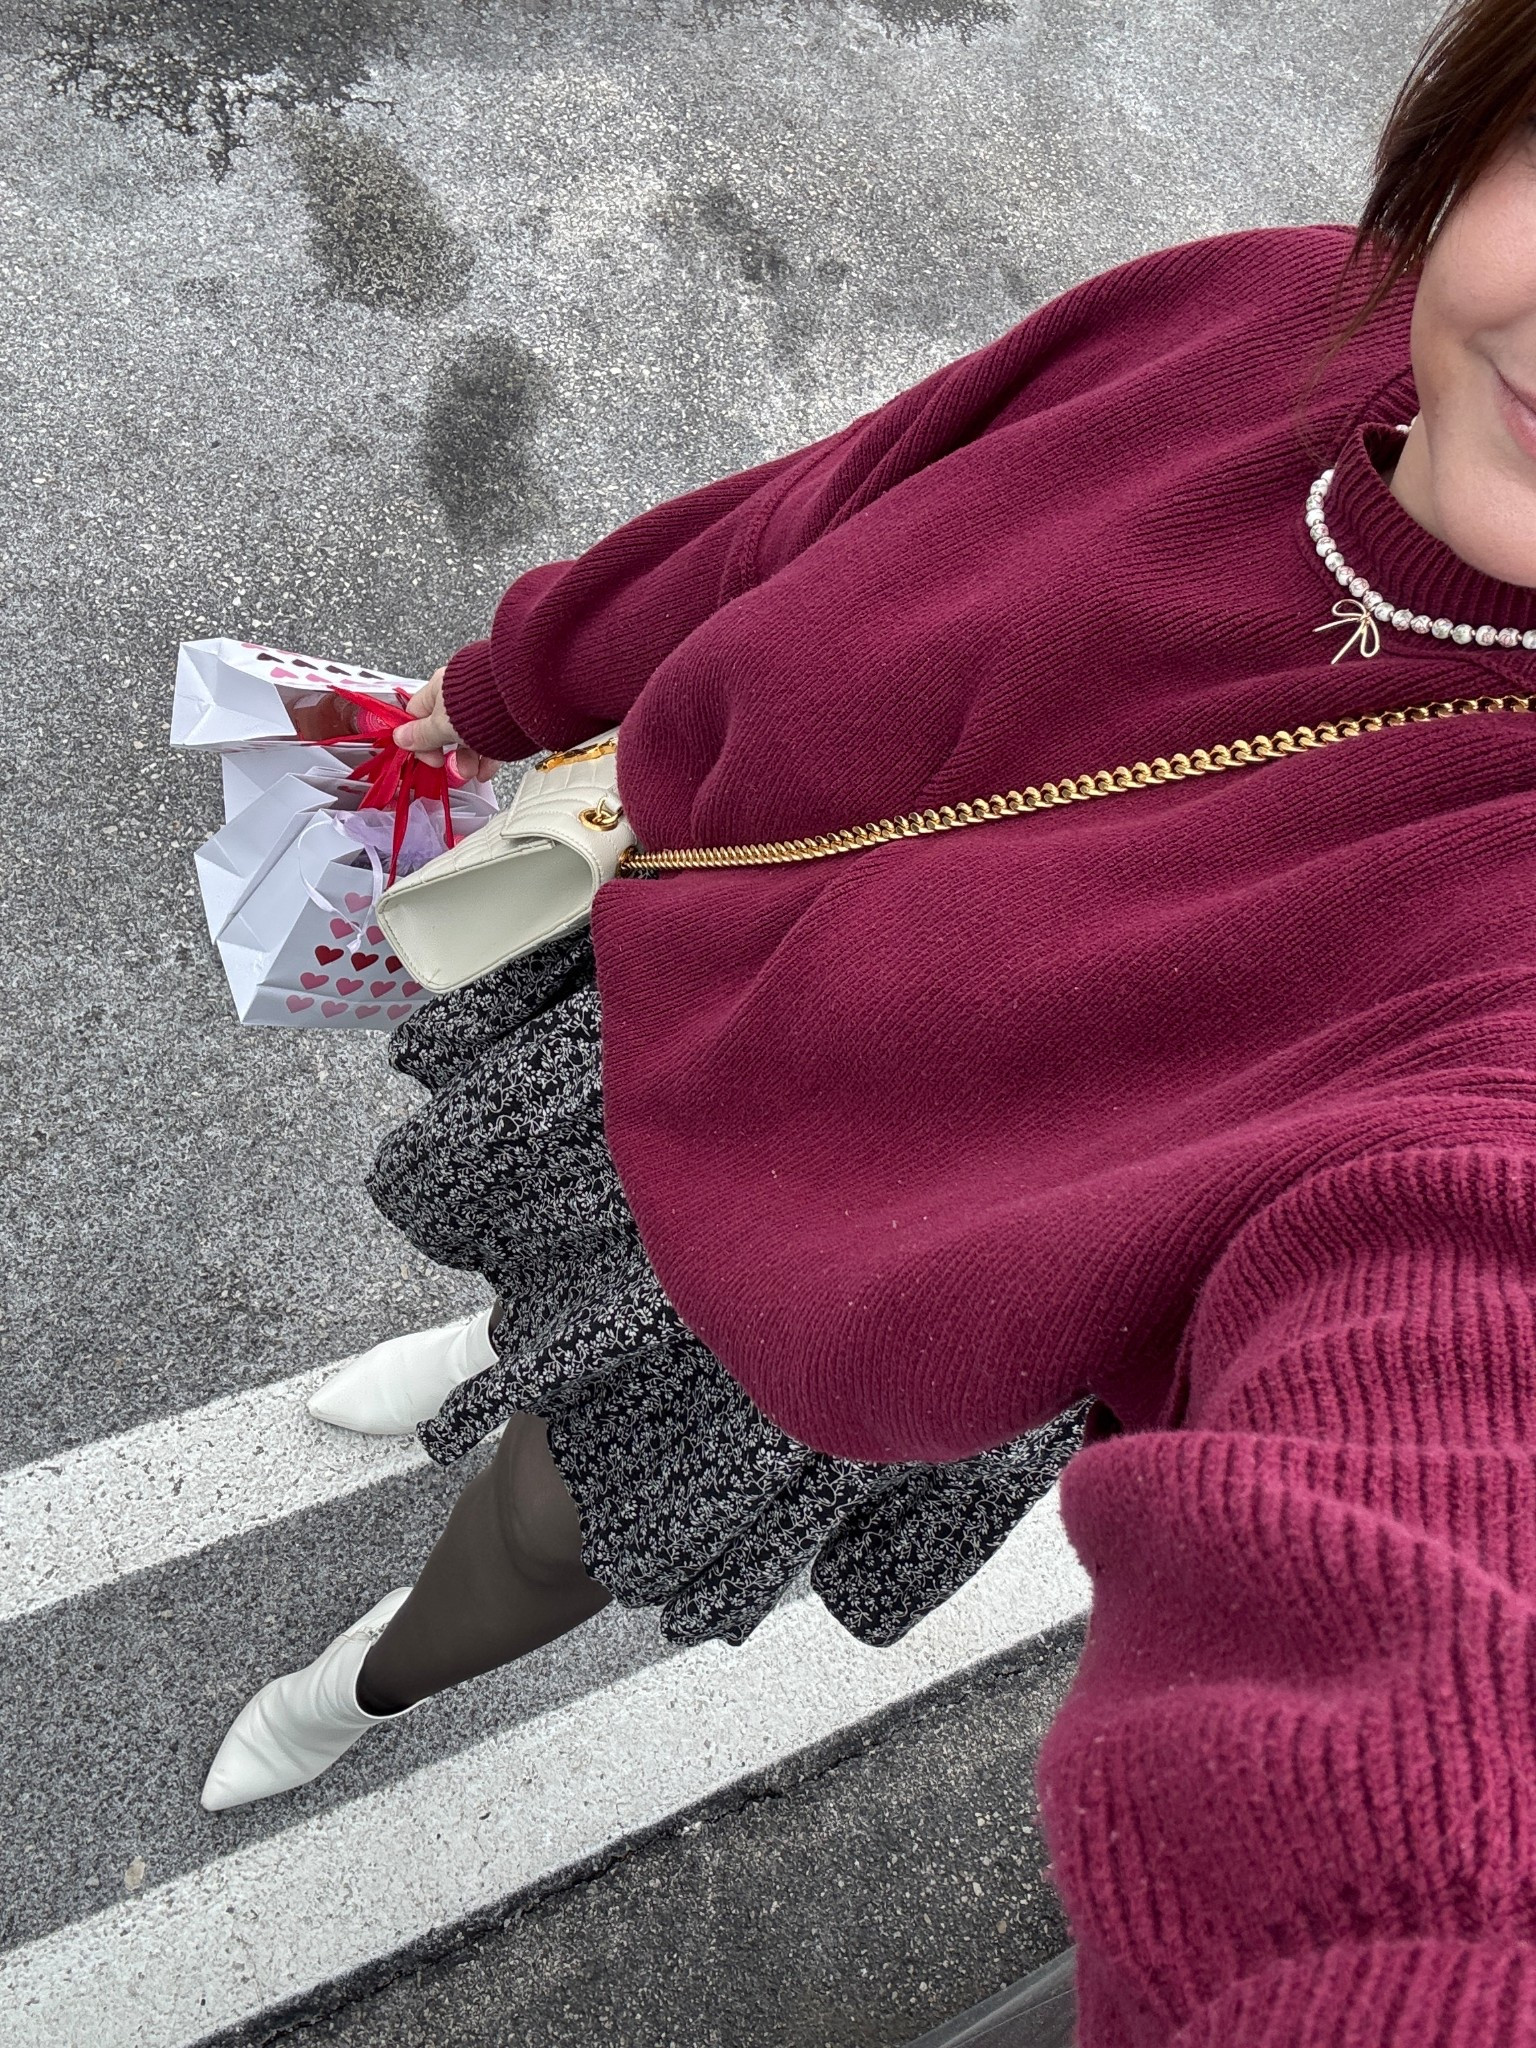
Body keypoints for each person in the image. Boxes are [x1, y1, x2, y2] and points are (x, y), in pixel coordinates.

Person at [203, 0, 1536, 2036]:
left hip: (853, 1266)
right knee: (535, 1284)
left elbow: (1442, 1499)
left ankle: (356, 1678)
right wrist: (496, 692)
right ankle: (494, 1345)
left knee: (554, 1507)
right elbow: (814, 511)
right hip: (675, 985)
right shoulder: (1256, 314)